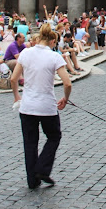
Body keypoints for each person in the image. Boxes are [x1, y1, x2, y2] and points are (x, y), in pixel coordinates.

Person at [11, 23, 72, 189]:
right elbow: (67, 83)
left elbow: (13, 79)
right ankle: (43, 168)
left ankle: (32, 180)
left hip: (27, 106)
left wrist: (17, 96)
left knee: (30, 143)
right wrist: (65, 98)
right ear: (52, 41)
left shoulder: (26, 53)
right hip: (47, 106)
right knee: (54, 136)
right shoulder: (54, 56)